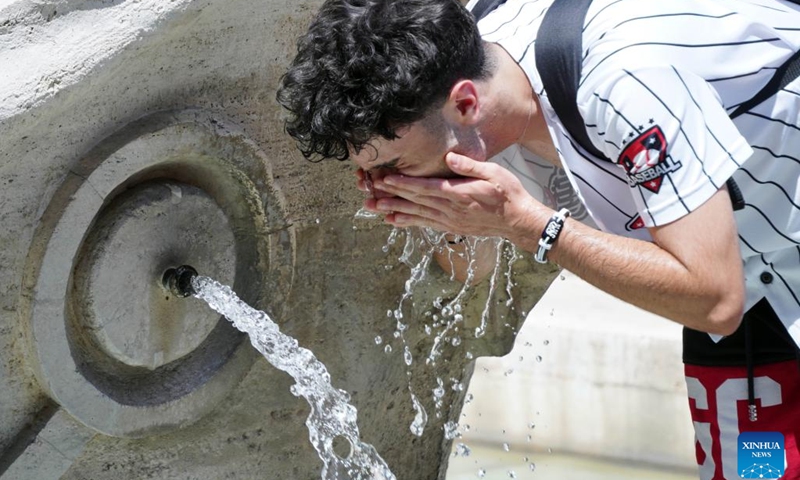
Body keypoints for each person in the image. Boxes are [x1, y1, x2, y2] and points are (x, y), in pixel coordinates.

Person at [276, 0, 800, 478]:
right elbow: (471, 268)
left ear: (464, 106)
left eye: (392, 166)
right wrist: (439, 213)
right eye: (369, 174)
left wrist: (528, 226)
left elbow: (714, 299)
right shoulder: (463, 84)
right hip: (759, 292)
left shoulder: (622, 78)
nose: (384, 185)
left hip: (736, 276)